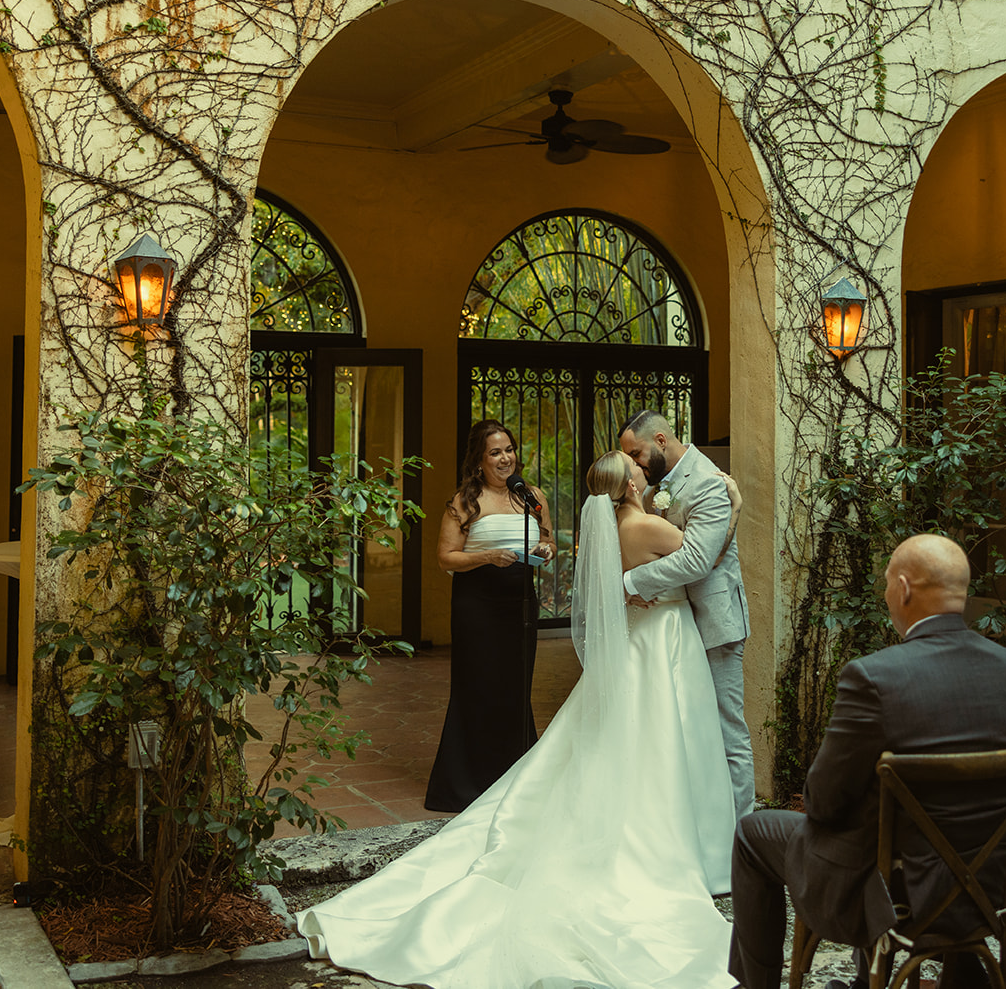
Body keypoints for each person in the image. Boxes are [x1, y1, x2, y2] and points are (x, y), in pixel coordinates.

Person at [300, 451, 737, 989]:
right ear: (628, 485)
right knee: (665, 739)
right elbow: (704, 554)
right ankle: (682, 842)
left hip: (637, 643)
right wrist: (731, 503)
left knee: (627, 739)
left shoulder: (617, 527)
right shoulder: (646, 524)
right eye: (637, 468)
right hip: (663, 643)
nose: (646, 469)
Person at [728, 534, 1006, 989]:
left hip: (894, 895)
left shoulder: (874, 677)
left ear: (905, 589)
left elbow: (824, 804)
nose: (886, 592)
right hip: (989, 884)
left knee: (754, 832)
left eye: (887, 582)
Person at [619, 409, 755, 819]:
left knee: (727, 731)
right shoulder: (652, 488)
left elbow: (697, 560)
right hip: (674, 625)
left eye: (638, 453)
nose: (637, 464)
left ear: (660, 440)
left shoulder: (710, 484)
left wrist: (631, 582)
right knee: (684, 731)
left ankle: (744, 836)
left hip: (713, 622)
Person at [424, 419, 554, 812]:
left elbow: (546, 537)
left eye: (509, 450)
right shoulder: (465, 501)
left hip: (520, 603)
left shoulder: (531, 496)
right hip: (477, 604)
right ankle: (467, 783)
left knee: (516, 686)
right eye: (495, 452)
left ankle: (515, 775)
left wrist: (547, 550)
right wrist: (487, 557)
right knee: (478, 686)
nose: (505, 458)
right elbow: (445, 556)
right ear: (479, 461)